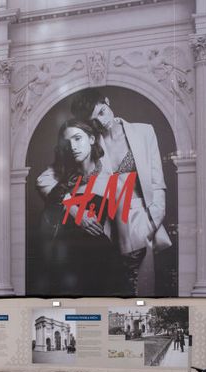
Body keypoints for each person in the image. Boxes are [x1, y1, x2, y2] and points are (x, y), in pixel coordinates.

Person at [70, 88, 172, 295]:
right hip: (108, 227)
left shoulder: (144, 132)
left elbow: (157, 181)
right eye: (94, 120)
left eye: (102, 112)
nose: (101, 121)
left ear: (107, 102)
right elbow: (75, 185)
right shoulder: (90, 145)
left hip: (142, 219)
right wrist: (76, 212)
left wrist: (153, 222)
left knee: (143, 286)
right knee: (115, 290)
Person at [36, 119, 119, 295]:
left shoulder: (108, 175)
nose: (73, 146)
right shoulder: (60, 172)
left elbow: (113, 226)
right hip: (63, 257)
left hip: (96, 256)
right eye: (67, 142)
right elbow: (41, 181)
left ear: (91, 139)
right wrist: (74, 209)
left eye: (78, 138)